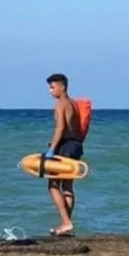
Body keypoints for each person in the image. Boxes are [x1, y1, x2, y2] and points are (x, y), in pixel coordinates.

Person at [44, 73, 85, 237]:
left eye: (52, 87)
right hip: (75, 145)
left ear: (62, 86)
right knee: (68, 186)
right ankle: (66, 224)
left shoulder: (61, 103)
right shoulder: (73, 103)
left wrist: (52, 149)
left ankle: (66, 222)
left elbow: (60, 128)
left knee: (53, 185)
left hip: (65, 147)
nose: (50, 91)